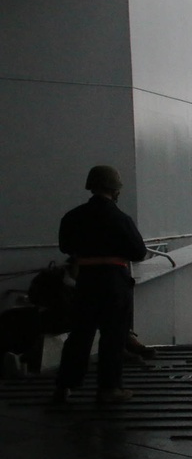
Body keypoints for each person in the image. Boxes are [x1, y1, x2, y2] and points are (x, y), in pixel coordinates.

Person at [53, 165, 148, 403]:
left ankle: (64, 386)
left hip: (85, 281)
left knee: (80, 336)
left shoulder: (73, 217)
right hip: (114, 282)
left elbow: (65, 247)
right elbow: (138, 252)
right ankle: (109, 388)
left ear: (91, 186)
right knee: (113, 336)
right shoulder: (120, 219)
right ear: (115, 190)